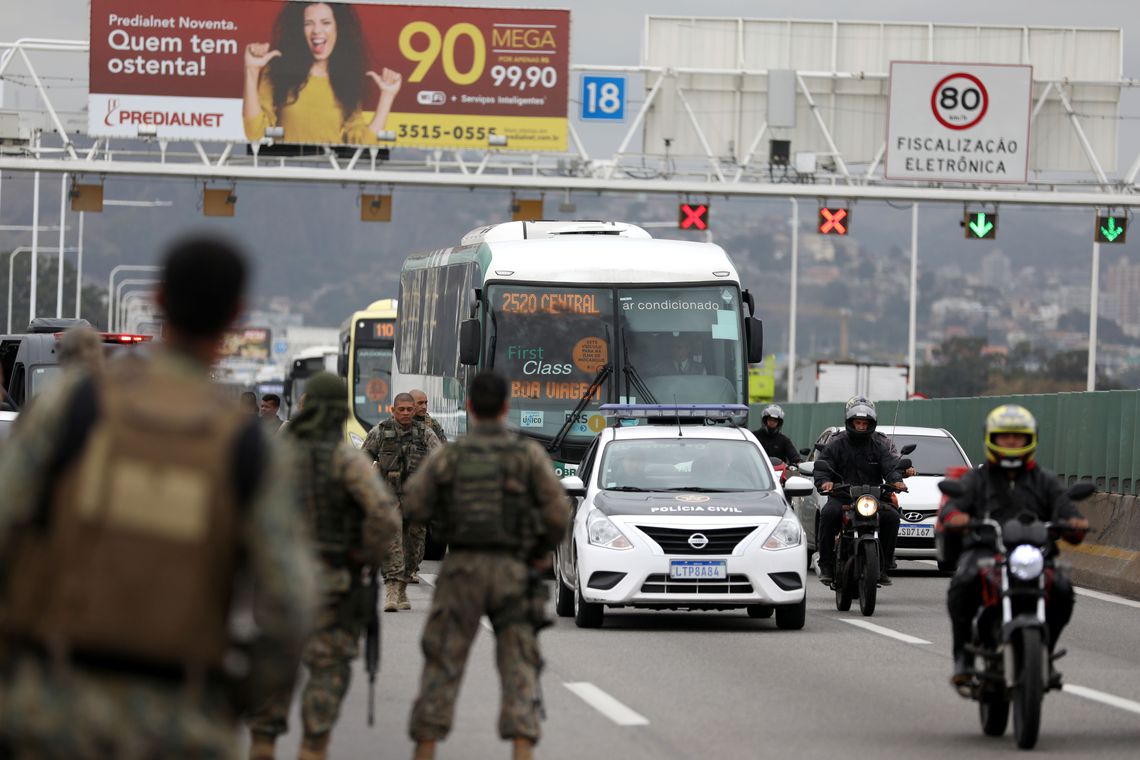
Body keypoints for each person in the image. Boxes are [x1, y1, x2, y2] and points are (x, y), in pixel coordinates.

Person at [0, 235, 317, 759]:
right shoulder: (249, 447)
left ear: (159, 300)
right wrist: (231, 699)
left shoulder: (70, 408)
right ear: (236, 316)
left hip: (53, 709)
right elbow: (291, 603)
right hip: (180, 723)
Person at [403, 371, 569, 760]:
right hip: (513, 569)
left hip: (461, 568)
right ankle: (522, 748)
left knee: (443, 661)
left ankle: (426, 746)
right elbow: (558, 512)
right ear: (506, 408)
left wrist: (445, 519)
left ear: (470, 407)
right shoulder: (525, 455)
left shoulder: (451, 456)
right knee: (519, 666)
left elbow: (414, 504)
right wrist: (538, 551)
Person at [247, 372, 399, 760]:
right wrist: (364, 558)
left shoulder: (270, 454)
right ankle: (313, 746)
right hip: (331, 581)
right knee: (328, 669)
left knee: (273, 662)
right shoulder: (347, 461)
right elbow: (383, 516)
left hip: (276, 581)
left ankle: (263, 740)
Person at [939, 404, 1089, 686]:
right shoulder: (977, 478)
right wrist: (957, 516)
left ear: (1029, 439)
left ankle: (1044, 653)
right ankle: (963, 657)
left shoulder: (1044, 480)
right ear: (991, 439)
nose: (1010, 442)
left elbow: (1067, 509)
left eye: (1017, 436)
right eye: (1004, 436)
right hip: (986, 550)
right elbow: (954, 507)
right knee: (962, 583)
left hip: (1036, 554)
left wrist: (1074, 521)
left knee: (1063, 589)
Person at [243, 1, 403, 144]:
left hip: (332, 174)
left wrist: (387, 96)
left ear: (338, 27)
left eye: (326, 22)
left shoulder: (347, 79)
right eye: (308, 23)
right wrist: (251, 71)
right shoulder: (279, 71)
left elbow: (362, 142)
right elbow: (254, 132)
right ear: (299, 29)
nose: (317, 31)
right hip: (288, 172)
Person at [813, 396, 904, 586]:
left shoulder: (879, 446)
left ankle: (884, 564)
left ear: (871, 424)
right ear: (850, 422)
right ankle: (827, 564)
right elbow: (823, 465)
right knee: (828, 514)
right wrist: (825, 482)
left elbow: (890, 467)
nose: (861, 427)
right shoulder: (836, 444)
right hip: (842, 496)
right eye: (858, 423)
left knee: (892, 517)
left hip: (873, 497)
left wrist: (897, 481)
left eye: (865, 423)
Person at [363, 392, 441, 611]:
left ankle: (404, 584)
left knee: (414, 545)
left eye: (409, 409)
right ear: (393, 410)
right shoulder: (380, 432)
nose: (406, 413)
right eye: (402, 409)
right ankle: (392, 588)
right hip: (389, 497)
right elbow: (363, 458)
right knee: (392, 542)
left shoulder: (425, 433)